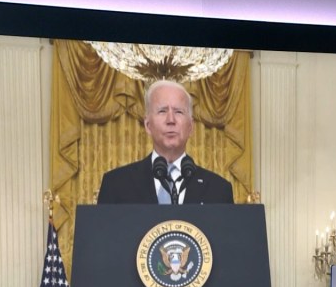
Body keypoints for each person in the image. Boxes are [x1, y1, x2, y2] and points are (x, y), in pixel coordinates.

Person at [97, 79, 234, 205]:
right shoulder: (116, 184)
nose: (171, 120)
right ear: (148, 125)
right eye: (162, 111)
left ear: (191, 127)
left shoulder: (219, 190)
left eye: (178, 112)